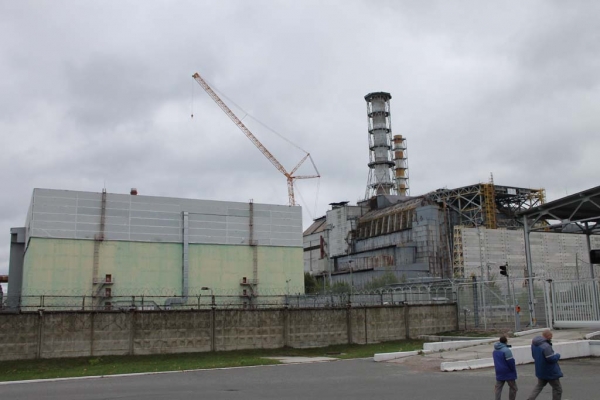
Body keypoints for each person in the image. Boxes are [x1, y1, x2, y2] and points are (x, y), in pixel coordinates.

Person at [527, 329, 563, 400]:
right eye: (551, 337)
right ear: (548, 336)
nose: (551, 338)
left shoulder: (534, 344)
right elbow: (551, 359)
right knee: (557, 388)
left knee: (539, 386)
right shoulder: (546, 346)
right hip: (550, 371)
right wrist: (557, 355)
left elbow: (534, 356)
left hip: (540, 370)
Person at [493, 335, 518, 400]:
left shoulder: (495, 350)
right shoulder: (507, 351)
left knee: (498, 388)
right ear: (506, 341)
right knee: (513, 388)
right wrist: (513, 370)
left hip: (499, 371)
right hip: (508, 372)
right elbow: (511, 362)